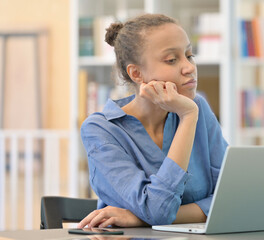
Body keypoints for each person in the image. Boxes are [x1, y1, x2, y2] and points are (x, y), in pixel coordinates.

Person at [77, 13, 228, 228]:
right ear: (137, 74)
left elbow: (231, 197)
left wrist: (140, 218)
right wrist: (187, 118)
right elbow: (157, 210)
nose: (189, 67)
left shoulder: (198, 109)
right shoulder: (101, 129)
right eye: (172, 60)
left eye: (189, 55)